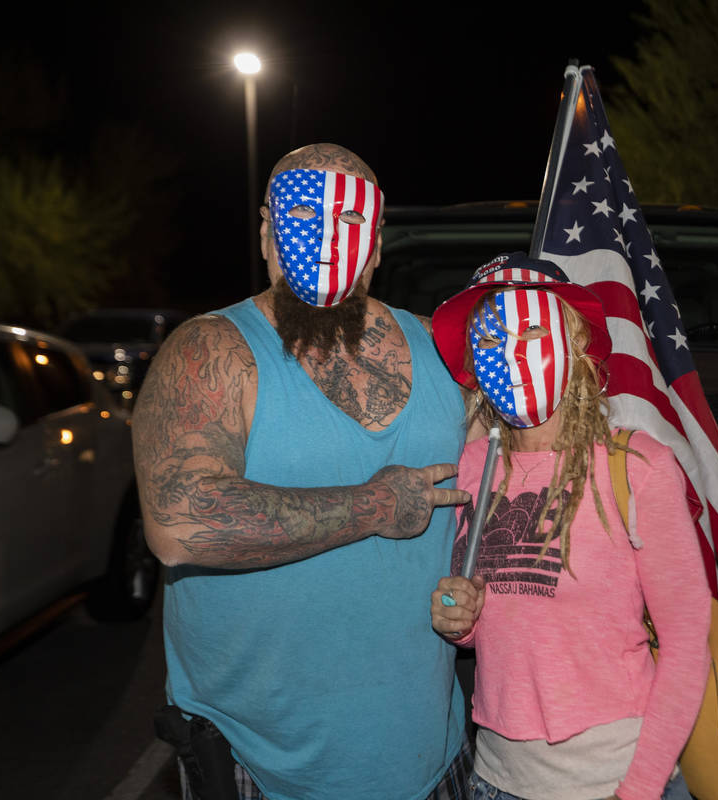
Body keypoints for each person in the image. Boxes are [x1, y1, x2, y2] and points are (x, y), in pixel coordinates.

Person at [132, 143, 473, 800]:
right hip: (262, 765)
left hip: (433, 755)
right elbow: (179, 521)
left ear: (377, 246)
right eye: (302, 213)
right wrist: (374, 507)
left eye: (348, 222)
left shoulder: (444, 352)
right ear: (266, 231)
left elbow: (520, 477)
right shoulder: (211, 350)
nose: (323, 236)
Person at [428, 253, 713, 800]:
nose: (508, 353)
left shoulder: (635, 467)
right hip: (495, 778)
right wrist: (460, 620)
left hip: (613, 779)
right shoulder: (471, 468)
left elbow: (685, 646)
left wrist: (639, 789)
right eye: (488, 341)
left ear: (575, 342)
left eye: (532, 329)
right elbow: (499, 626)